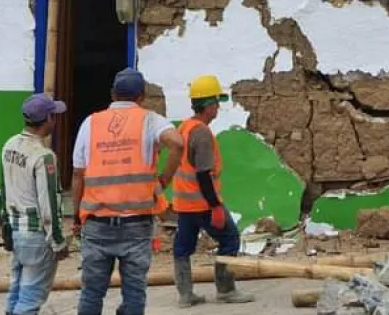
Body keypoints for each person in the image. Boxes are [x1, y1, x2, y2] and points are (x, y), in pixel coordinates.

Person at [72, 68, 184, 315]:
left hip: (97, 223)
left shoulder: (90, 123)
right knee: (134, 292)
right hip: (136, 224)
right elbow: (177, 143)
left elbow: (78, 174)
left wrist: (76, 218)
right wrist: (163, 181)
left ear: (113, 94)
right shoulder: (150, 121)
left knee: (92, 292)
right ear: (141, 96)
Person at [172, 75, 254, 307]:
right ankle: (226, 290)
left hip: (184, 204)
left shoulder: (184, 127)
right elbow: (203, 174)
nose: (218, 107)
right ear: (208, 105)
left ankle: (185, 295)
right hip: (203, 203)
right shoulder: (202, 133)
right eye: (216, 102)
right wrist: (215, 206)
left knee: (182, 248)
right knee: (230, 239)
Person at [0, 93, 70, 315]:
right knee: (30, 298)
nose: (55, 121)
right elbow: (49, 205)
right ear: (48, 119)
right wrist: (58, 242)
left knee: (16, 291)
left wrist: (6, 225)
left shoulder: (9, 146)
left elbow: (4, 190)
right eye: (53, 116)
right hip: (36, 236)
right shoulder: (44, 157)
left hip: (16, 229)